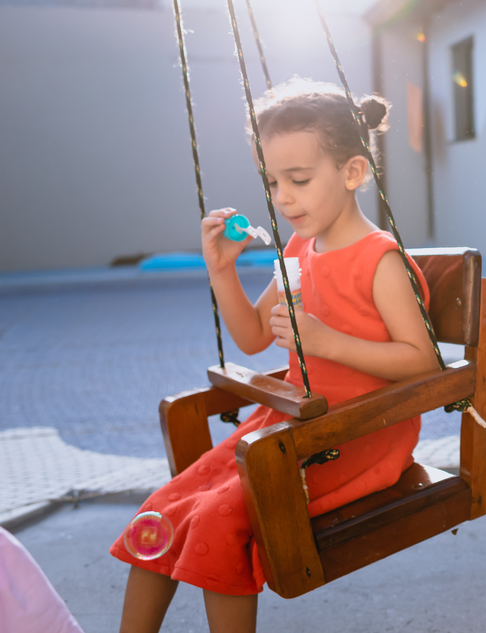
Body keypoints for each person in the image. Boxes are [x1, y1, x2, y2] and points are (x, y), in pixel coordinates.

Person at [111, 78, 439, 633]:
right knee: (163, 506)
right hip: (290, 427)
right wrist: (221, 270)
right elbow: (254, 336)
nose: (283, 198)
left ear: (353, 173)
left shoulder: (379, 260)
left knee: (216, 520)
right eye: (272, 181)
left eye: (299, 180)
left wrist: (327, 342)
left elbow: (423, 364)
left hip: (355, 435)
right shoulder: (297, 250)